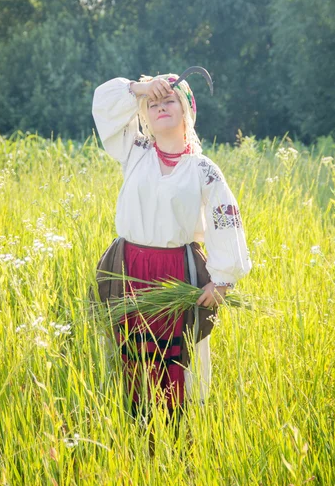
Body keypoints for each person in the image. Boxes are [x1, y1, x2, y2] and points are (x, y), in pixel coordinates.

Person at [91, 72, 252, 417]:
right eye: (153, 103)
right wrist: (140, 88)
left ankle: (177, 440)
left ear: (187, 111)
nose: (160, 107)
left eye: (169, 101)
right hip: (128, 269)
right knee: (131, 359)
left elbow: (226, 218)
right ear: (144, 114)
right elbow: (103, 103)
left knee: (176, 361)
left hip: (177, 274)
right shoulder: (134, 152)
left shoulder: (203, 169)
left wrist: (222, 279)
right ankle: (132, 432)